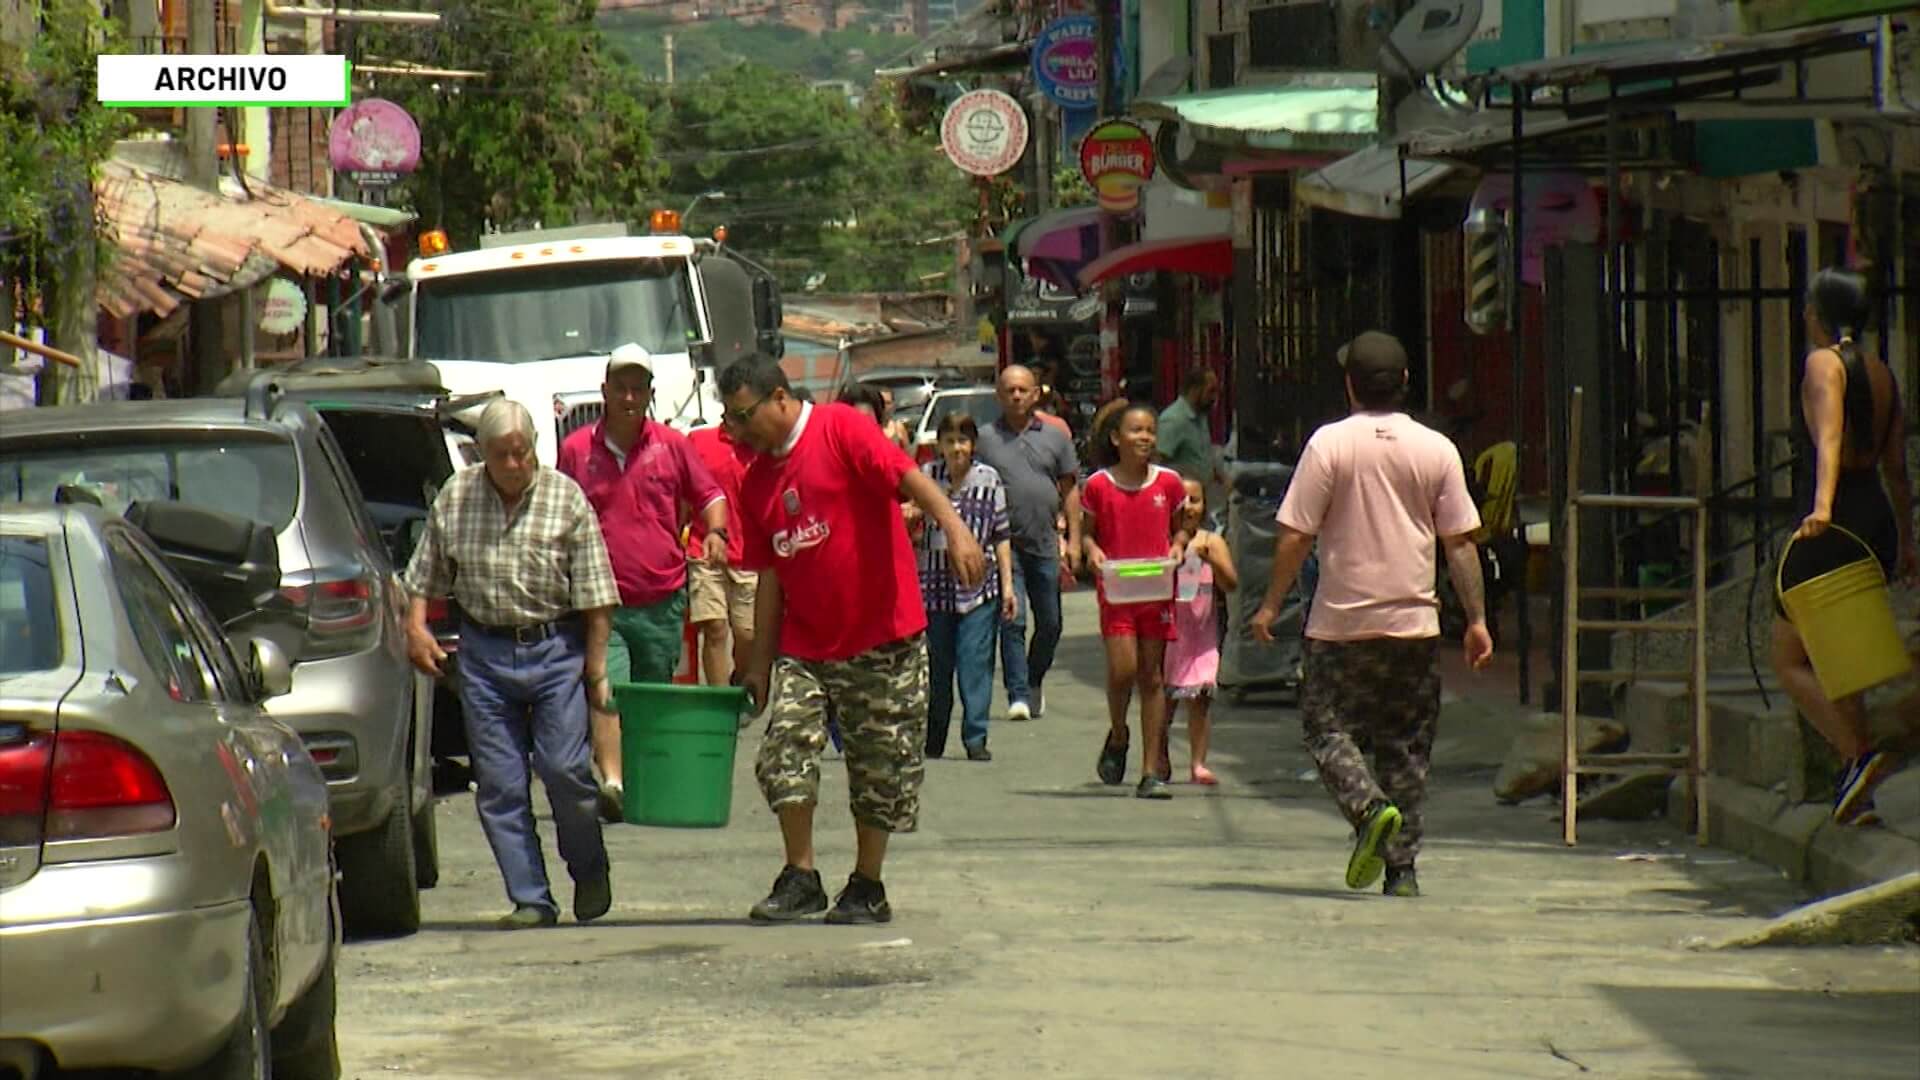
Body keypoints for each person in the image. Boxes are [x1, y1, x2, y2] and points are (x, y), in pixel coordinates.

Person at [719, 360, 985, 925]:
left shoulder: (839, 428)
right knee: (783, 752)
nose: (739, 431)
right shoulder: (756, 480)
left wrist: (956, 528)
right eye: (731, 420)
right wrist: (758, 665)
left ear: (781, 398)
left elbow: (910, 478)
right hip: (806, 645)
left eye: (745, 416)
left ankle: (868, 884)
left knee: (879, 769)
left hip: (881, 635)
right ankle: (801, 875)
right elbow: (770, 576)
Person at [1250, 331, 1492, 899]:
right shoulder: (1437, 448)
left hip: (1341, 625)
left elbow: (1295, 535)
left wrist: (1269, 604)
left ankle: (1368, 808)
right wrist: (1477, 619)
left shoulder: (1329, 445)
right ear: (1405, 383)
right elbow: (1459, 542)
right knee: (1406, 744)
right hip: (1414, 624)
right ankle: (1401, 869)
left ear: (1349, 385)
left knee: (1325, 727)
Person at [403, 398, 619, 930]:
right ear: (483, 455)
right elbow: (422, 577)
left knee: (565, 770)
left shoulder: (565, 499)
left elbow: (596, 597)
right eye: (504, 456)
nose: (516, 465)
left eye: (523, 453)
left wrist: (596, 670)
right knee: (500, 784)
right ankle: (531, 898)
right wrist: (415, 628)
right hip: (484, 653)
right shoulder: (458, 496)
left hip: (554, 649)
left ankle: (588, 868)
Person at [557, 343, 727, 822]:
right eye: (620, 388)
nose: (629, 398)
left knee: (649, 696)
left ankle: (644, 781)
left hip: (661, 598)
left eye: (638, 389)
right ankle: (612, 781)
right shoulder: (575, 452)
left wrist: (715, 531)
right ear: (604, 391)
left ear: (650, 394)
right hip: (600, 601)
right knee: (606, 686)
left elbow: (710, 494)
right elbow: (555, 511)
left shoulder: (672, 446)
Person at [1771, 268, 1915, 826]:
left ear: (1818, 312)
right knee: (1841, 659)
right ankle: (1858, 798)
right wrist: (1907, 540)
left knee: (1788, 659)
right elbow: (1897, 468)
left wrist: (1823, 507)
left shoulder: (1822, 363)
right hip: (1875, 519)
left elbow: (1828, 438)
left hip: (1833, 522)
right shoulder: (1882, 372)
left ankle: (1859, 754)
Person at [1081, 402, 1190, 799]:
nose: (1144, 438)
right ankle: (1119, 733)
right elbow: (1088, 534)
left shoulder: (1169, 484)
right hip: (1117, 592)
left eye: (1150, 431)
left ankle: (1151, 770)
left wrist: (1178, 548)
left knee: (1153, 676)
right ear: (1116, 438)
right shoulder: (1098, 486)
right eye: (1136, 430)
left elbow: (1182, 530)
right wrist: (1092, 553)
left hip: (1156, 590)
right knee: (1122, 671)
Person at [973, 364, 1081, 722]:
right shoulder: (985, 439)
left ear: (1036, 393)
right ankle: (1017, 694)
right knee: (1012, 618)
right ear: (998, 395)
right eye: (1009, 390)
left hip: (1045, 542)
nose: (1016, 396)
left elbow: (1070, 490)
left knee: (1050, 623)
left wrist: (1076, 540)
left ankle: (1034, 679)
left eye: (1023, 390)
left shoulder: (1055, 437)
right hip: (1003, 545)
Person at [918, 412, 1016, 762]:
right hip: (935, 587)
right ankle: (934, 737)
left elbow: (1001, 536)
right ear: (939, 445)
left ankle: (976, 737)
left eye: (963, 440)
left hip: (979, 588)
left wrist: (1008, 587)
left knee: (975, 663)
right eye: (949, 441)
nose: (956, 448)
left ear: (973, 444)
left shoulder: (988, 479)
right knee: (936, 666)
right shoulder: (927, 478)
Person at [1165, 477, 1238, 785]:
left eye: (1195, 500)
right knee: (1164, 702)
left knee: (1200, 702)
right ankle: (1158, 757)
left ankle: (1198, 762)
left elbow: (1231, 584)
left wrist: (1213, 561)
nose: (1188, 507)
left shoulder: (1212, 541)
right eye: (1181, 500)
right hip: (1169, 632)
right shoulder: (1163, 541)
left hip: (1202, 636)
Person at [687, 421, 758, 688]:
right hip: (704, 548)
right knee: (714, 628)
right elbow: (684, 492)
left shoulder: (761, 444)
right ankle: (720, 703)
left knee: (748, 634)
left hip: (750, 554)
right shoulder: (698, 441)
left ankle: (739, 680)